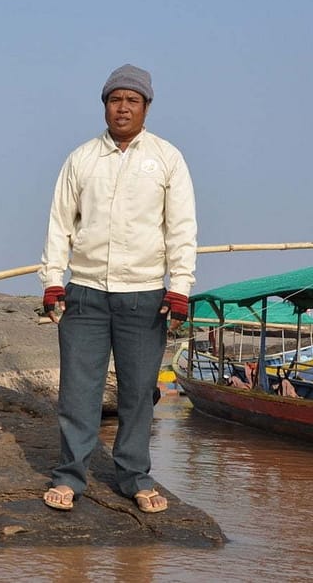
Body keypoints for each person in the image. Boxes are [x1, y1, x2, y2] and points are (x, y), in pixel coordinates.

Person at [38, 65, 197, 513]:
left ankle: (134, 476)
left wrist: (179, 288)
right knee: (77, 392)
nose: (122, 107)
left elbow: (180, 229)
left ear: (146, 106)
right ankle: (70, 476)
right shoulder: (81, 158)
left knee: (139, 391)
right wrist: (53, 281)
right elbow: (59, 224)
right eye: (115, 99)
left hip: (145, 295)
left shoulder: (167, 158)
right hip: (85, 292)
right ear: (104, 105)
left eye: (132, 100)